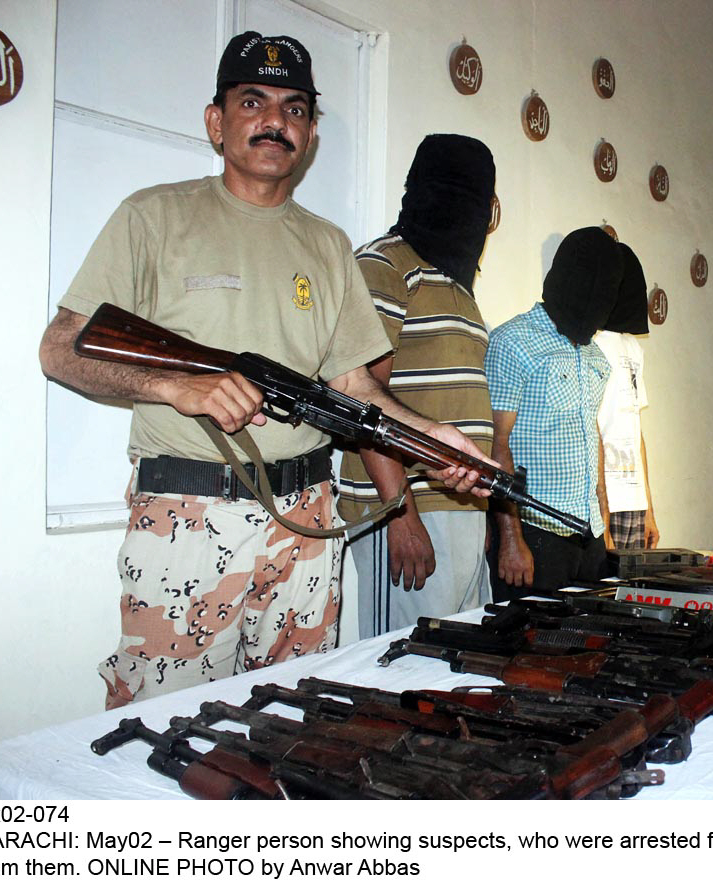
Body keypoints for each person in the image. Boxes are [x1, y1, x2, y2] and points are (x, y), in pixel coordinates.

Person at [38, 32, 487, 708]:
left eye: (295, 108)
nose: (276, 121)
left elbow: (358, 390)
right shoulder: (154, 216)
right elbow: (61, 347)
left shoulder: (329, 245)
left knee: (292, 718)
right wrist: (176, 385)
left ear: (309, 135)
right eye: (254, 101)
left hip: (306, 519)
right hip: (188, 514)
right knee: (168, 724)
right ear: (217, 121)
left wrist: (435, 440)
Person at [338, 134, 496, 636]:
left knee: (453, 670)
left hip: (458, 511)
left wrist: (481, 515)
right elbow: (357, 399)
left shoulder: (457, 285)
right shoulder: (384, 265)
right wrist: (399, 516)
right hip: (408, 510)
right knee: (405, 671)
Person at [485, 227, 623, 598]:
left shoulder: (595, 356)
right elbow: (496, 446)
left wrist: (604, 523)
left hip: (588, 536)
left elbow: (591, 436)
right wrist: (510, 539)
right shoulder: (513, 342)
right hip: (535, 536)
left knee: (590, 649)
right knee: (531, 650)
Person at [595, 243, 659, 550]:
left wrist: (649, 508)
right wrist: (601, 509)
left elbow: (637, 433)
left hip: (633, 499)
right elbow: (591, 429)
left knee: (633, 590)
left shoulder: (634, 349)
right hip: (605, 496)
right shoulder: (591, 344)